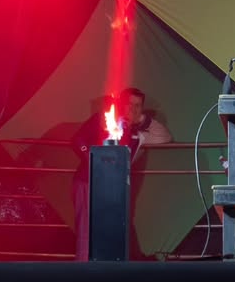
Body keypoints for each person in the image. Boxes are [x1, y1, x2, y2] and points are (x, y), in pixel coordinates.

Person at [71, 87, 172, 261]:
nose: (133, 109)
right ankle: (84, 272)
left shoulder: (138, 135)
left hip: (116, 190)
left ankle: (108, 272)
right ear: (120, 104)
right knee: (87, 234)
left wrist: (141, 119)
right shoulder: (104, 119)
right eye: (129, 104)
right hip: (88, 182)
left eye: (138, 106)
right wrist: (93, 158)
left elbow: (165, 137)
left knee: (112, 234)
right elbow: (77, 140)